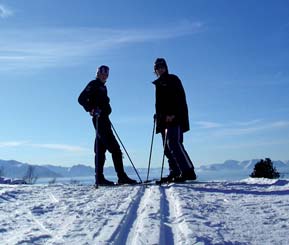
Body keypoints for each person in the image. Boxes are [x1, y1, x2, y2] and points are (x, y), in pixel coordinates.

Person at [78, 65, 137, 186]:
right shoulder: (93, 84)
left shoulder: (103, 87)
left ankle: (99, 178)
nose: (104, 76)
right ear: (98, 74)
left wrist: (106, 109)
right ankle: (121, 176)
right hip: (99, 120)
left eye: (106, 74)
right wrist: (92, 109)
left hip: (104, 120)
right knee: (115, 148)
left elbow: (103, 103)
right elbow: (81, 99)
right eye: (102, 73)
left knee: (100, 150)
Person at [152, 58, 197, 183]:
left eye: (162, 66)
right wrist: (159, 115)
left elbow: (179, 98)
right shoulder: (159, 83)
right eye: (158, 67)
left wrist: (173, 114)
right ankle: (175, 171)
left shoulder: (172, 79)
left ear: (166, 67)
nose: (160, 69)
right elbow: (161, 104)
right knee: (167, 147)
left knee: (174, 143)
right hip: (163, 119)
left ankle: (188, 171)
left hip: (175, 118)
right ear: (155, 70)